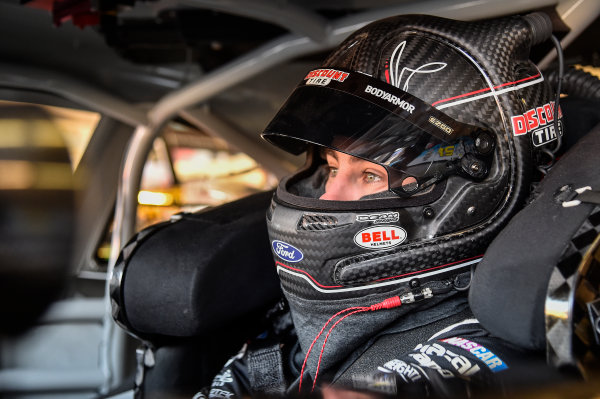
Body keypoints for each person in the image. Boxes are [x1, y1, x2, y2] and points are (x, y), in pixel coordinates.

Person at [195, 13, 568, 398]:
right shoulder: (314, 317)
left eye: (370, 176)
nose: (327, 197)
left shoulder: (486, 338)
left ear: (472, 183)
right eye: (331, 166)